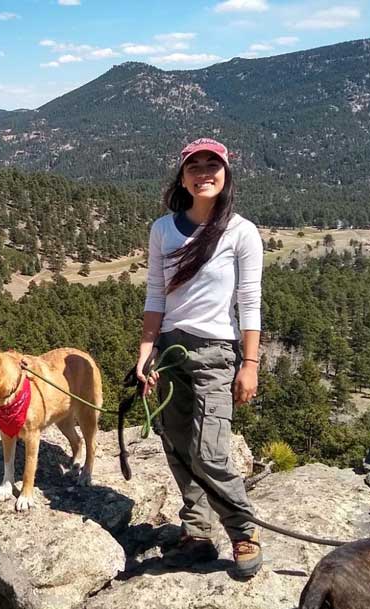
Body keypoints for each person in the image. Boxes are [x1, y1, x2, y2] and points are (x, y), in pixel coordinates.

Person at [136, 137, 265, 578]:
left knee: (209, 451)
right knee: (176, 446)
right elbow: (156, 294)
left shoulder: (241, 232)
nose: (204, 172)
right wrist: (145, 353)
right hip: (170, 349)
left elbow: (250, 301)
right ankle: (197, 534)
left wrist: (249, 364)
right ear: (183, 176)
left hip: (215, 354)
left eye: (214, 165)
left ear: (226, 175)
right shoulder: (162, 229)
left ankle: (243, 532)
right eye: (195, 165)